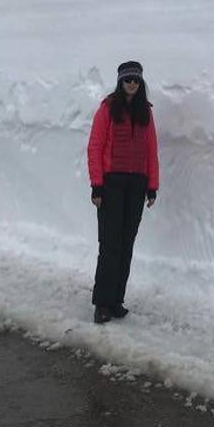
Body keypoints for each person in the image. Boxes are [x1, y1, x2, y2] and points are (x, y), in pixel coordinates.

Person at [87, 60, 159, 324]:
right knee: (110, 244)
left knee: (126, 244)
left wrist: (152, 186)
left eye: (136, 80)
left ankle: (116, 300)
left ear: (141, 84)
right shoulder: (107, 109)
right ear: (120, 82)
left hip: (137, 185)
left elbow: (151, 151)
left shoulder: (145, 113)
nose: (132, 84)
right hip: (112, 184)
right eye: (128, 80)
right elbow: (95, 147)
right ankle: (101, 303)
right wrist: (97, 184)